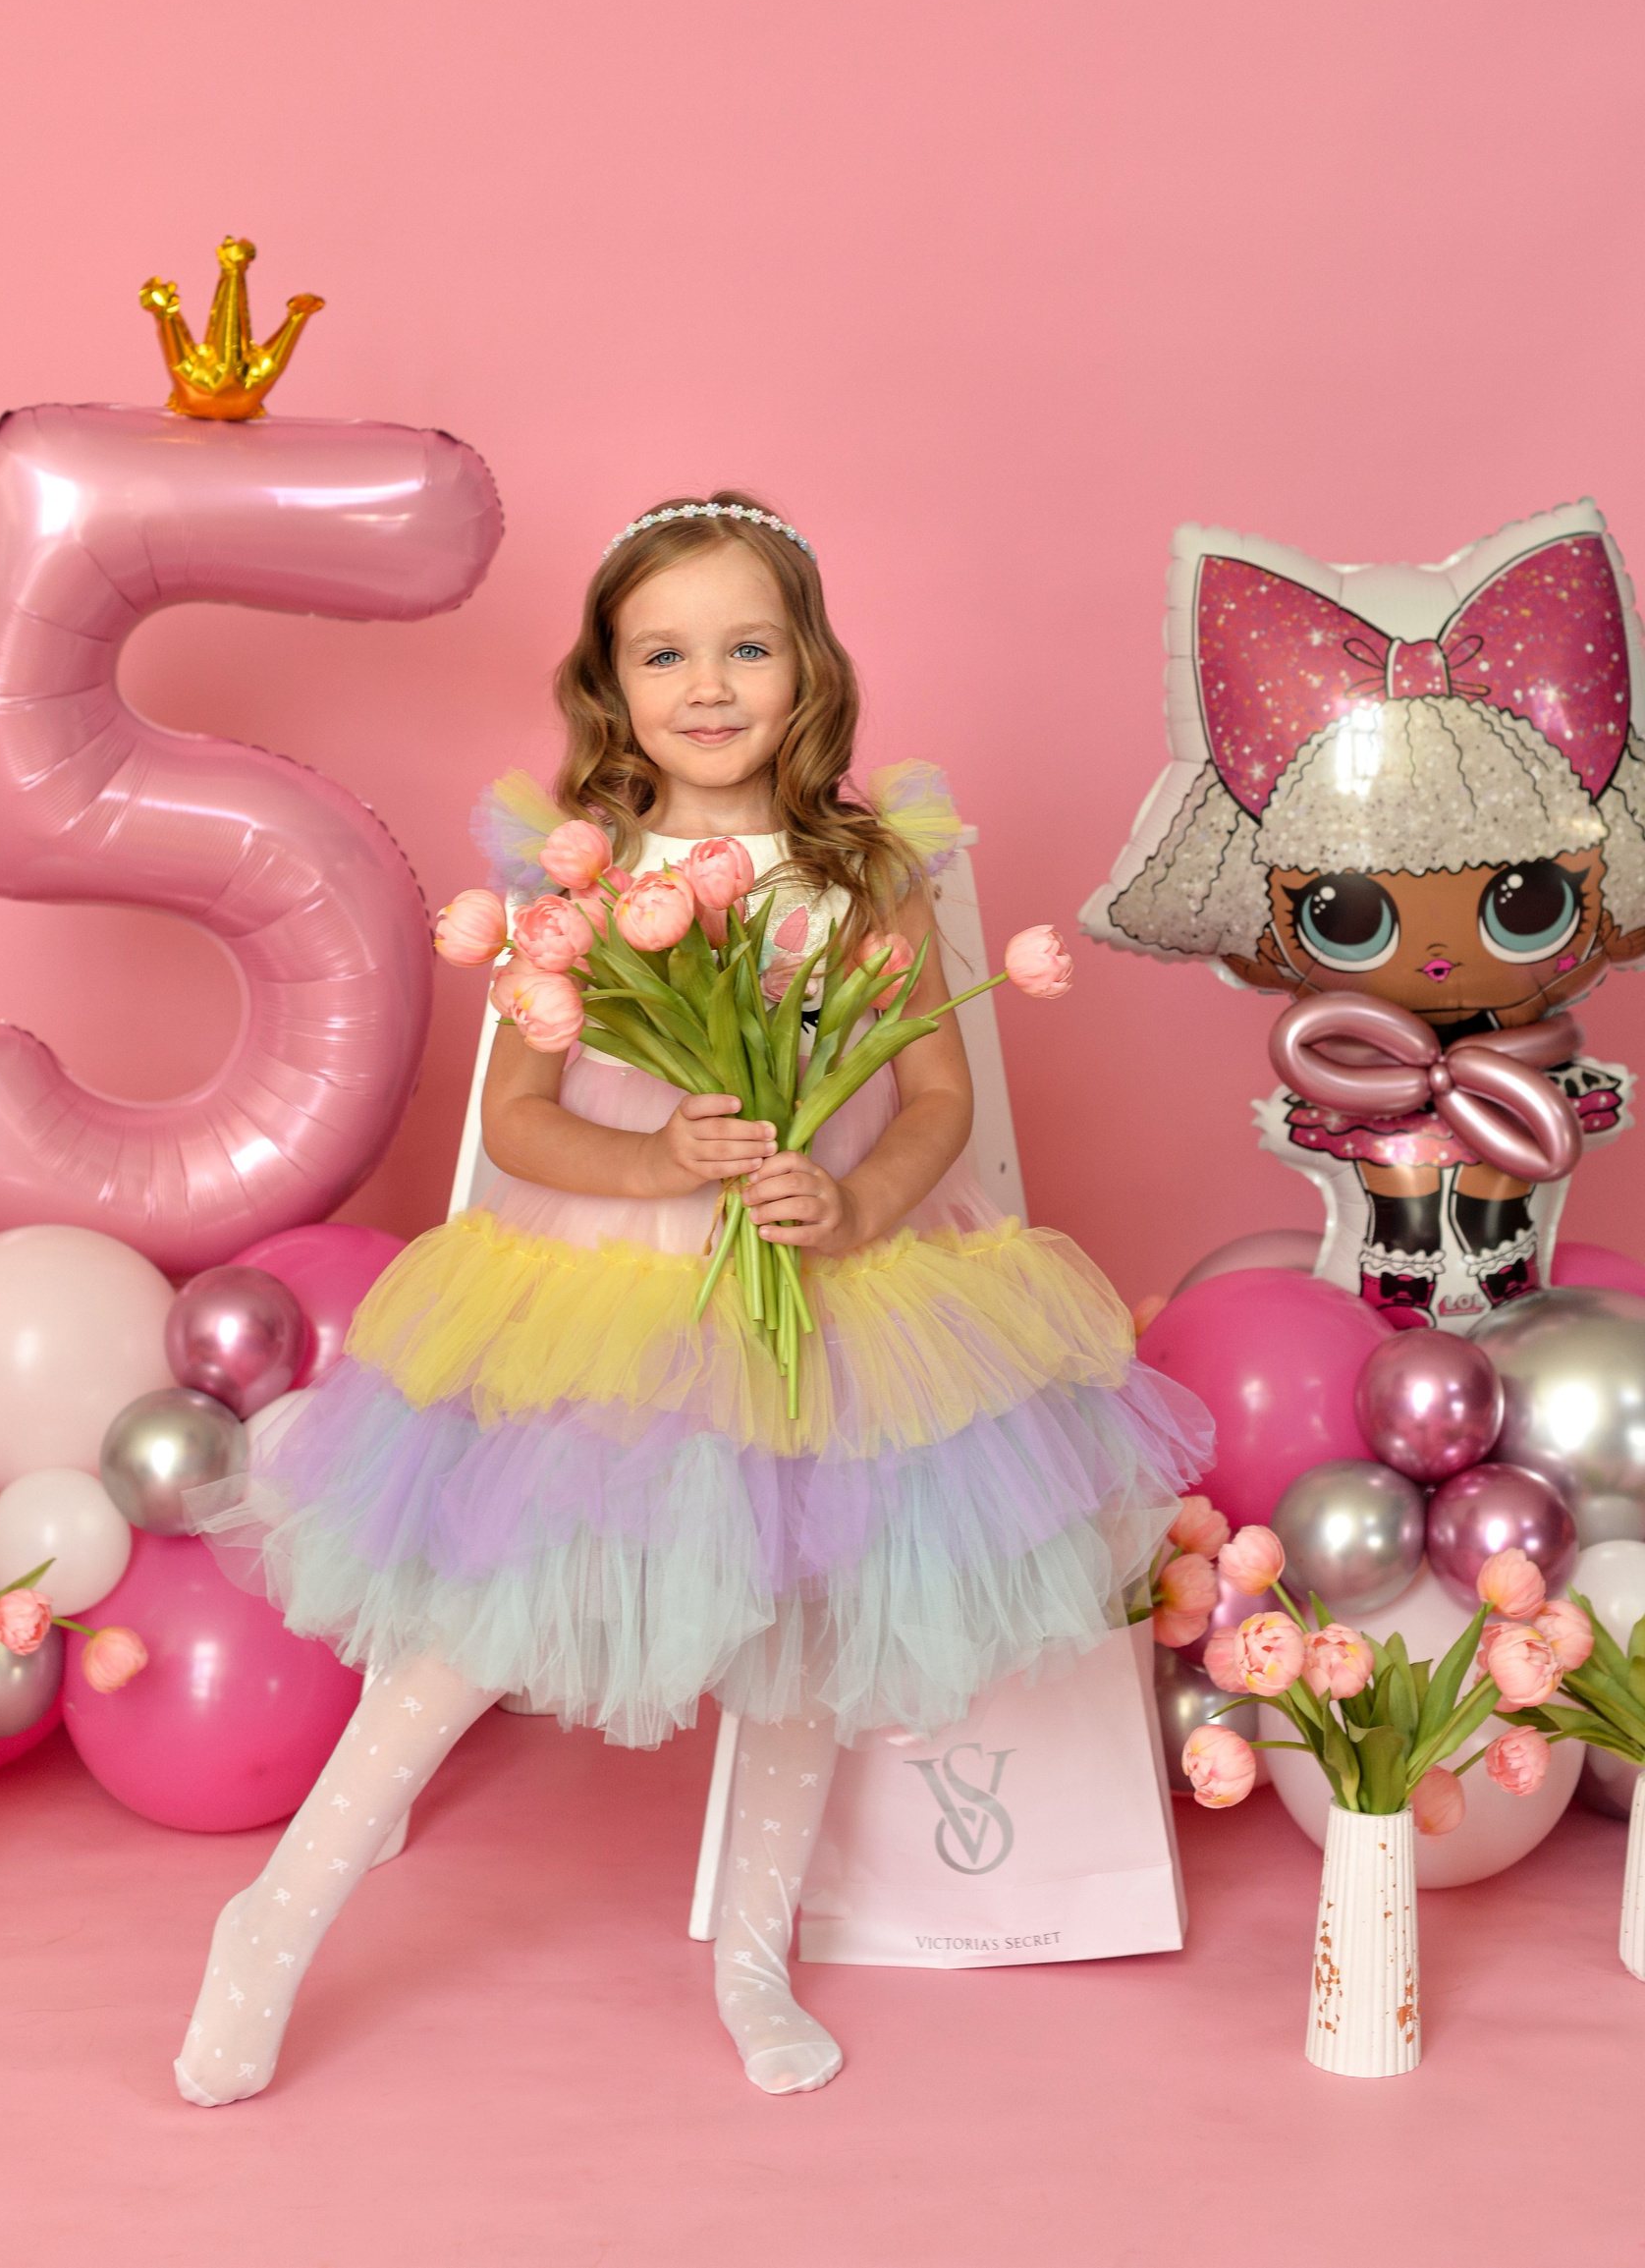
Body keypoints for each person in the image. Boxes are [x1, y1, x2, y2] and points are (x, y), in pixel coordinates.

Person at [176, 492, 1209, 2107]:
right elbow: (521, 1117)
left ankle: (752, 1953)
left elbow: (936, 1096)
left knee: (802, 1621)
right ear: (610, 681)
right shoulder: (581, 874)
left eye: (747, 647)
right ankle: (275, 1917)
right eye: (665, 653)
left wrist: (854, 1199)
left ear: (810, 668)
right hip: (612, 1302)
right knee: (477, 1617)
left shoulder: (864, 868)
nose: (709, 685)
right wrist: (661, 1156)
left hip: (828, 1292)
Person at [1086, 522, 1645, 1324]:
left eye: (1525, 905)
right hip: (1377, 1091)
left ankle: (1498, 1270)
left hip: (1514, 1090)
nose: (1441, 960)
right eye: (1346, 916)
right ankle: (1402, 1274)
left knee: (1497, 1199)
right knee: (1398, 1198)